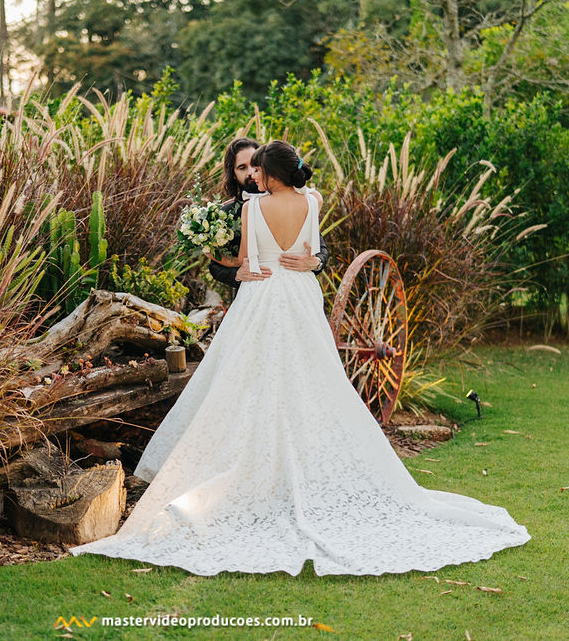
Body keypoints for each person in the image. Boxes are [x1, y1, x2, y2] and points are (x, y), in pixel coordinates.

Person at [70, 140, 530, 576]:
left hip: (264, 295)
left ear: (268, 174)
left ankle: (253, 471)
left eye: (259, 170)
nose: (254, 177)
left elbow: (249, 261)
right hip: (302, 296)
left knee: (249, 379)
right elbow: (312, 253)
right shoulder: (313, 201)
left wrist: (237, 264)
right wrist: (306, 263)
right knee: (312, 377)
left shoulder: (252, 208)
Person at [208, 137, 329, 288]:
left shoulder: (304, 202)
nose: (252, 173)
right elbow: (214, 267)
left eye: (256, 168)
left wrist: (316, 263)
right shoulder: (224, 214)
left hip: (289, 286)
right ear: (233, 174)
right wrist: (237, 274)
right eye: (242, 168)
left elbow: (318, 247)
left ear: (269, 168)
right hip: (258, 289)